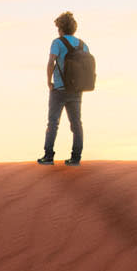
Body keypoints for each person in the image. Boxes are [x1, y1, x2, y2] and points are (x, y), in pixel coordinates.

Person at [40, 11, 93, 165]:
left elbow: (51, 62)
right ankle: (76, 158)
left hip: (59, 89)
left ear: (61, 28)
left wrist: (49, 82)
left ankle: (48, 156)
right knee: (76, 123)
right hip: (77, 90)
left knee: (53, 122)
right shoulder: (83, 44)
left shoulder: (57, 43)